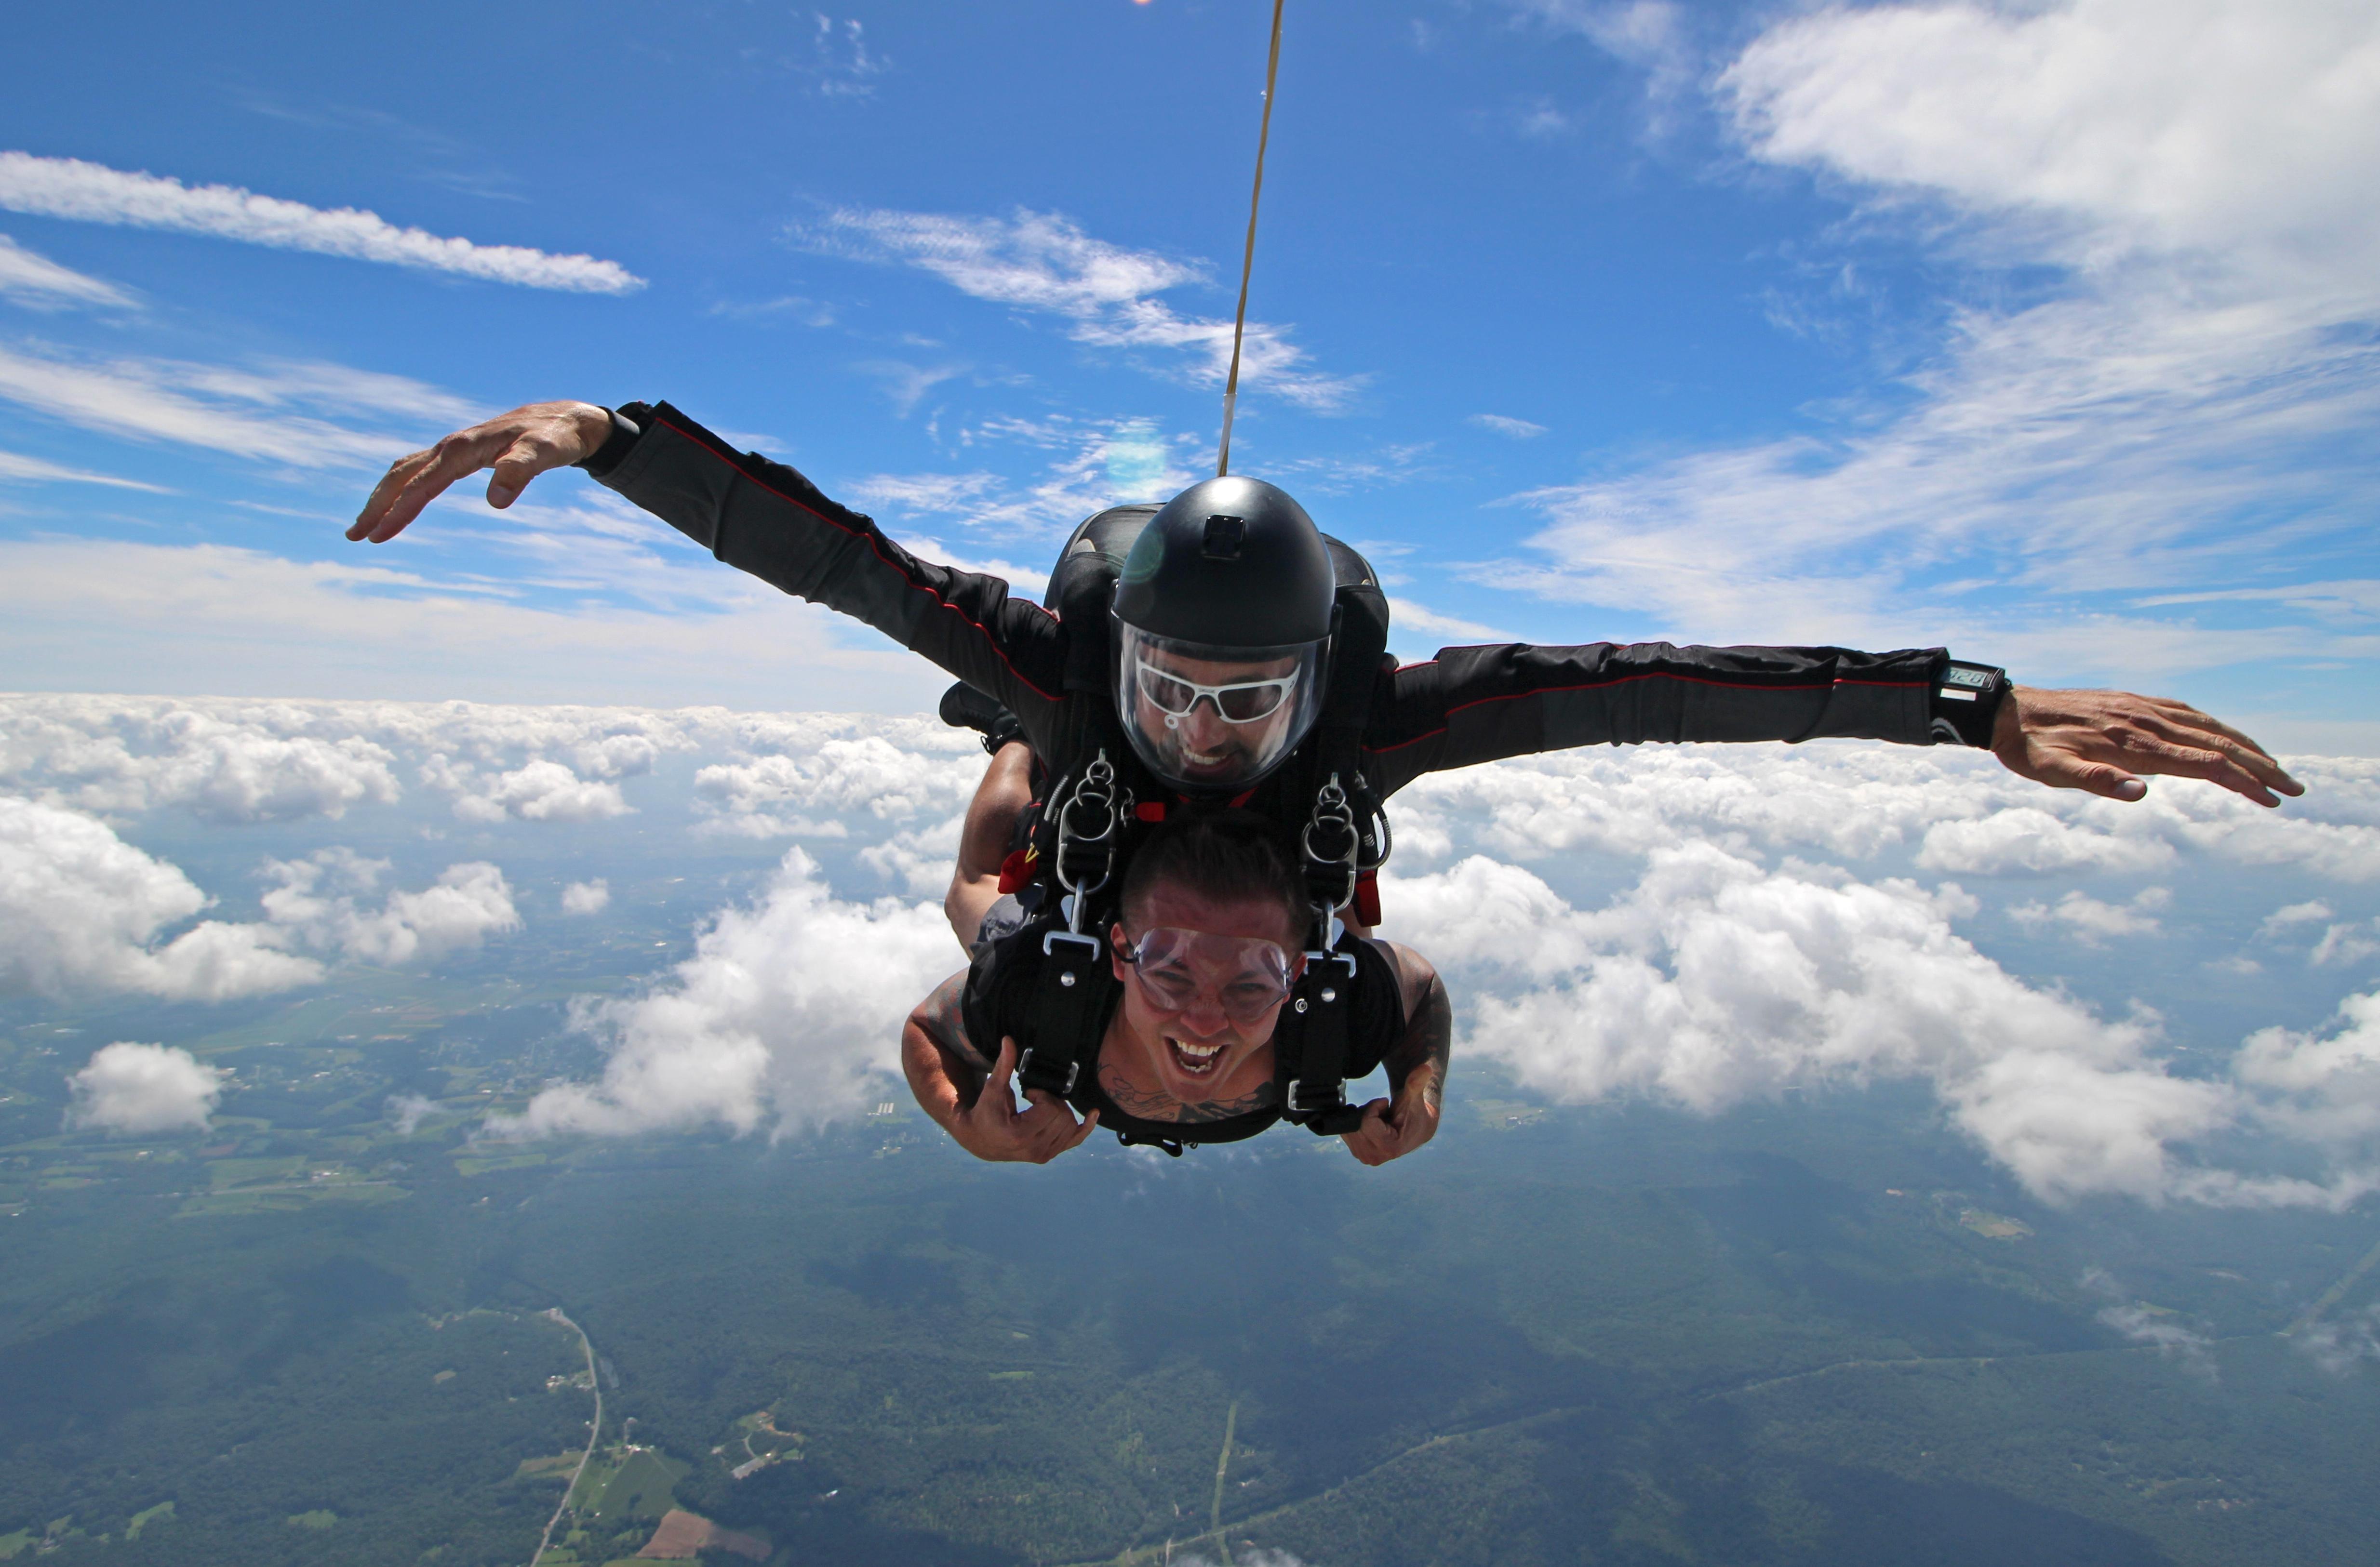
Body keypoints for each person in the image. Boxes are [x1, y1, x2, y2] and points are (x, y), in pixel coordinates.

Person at [901, 811, 1450, 1164]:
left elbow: (1420, 988)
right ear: (1119, 954)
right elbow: (928, 1029)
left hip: (1299, 947)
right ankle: (1015, 737)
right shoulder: (1032, 990)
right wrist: (964, 1121)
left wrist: (1421, 1091)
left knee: (1350, 948)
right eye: (1171, 976)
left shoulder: (1340, 1003)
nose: (1204, 1023)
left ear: (1296, 977)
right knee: (970, 895)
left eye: (1248, 986)